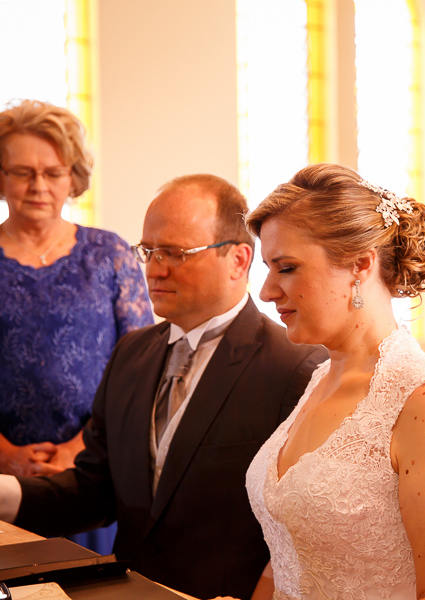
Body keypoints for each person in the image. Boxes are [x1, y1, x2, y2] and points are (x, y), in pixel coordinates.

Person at [0, 174, 326, 600]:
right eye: (149, 251)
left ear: (238, 259)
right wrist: (4, 494)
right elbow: (95, 490)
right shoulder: (131, 354)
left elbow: (303, 531)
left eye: (175, 253)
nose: (154, 269)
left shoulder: (295, 368)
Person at [243, 164, 425, 600]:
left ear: (360, 265)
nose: (266, 291)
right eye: (268, 268)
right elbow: (292, 547)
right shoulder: (319, 379)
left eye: (286, 268)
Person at [0, 99, 153, 553]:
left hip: (91, 472)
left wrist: (80, 447)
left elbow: (140, 367)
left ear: (73, 177)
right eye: (22, 172)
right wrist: (5, 454)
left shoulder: (110, 254)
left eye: (53, 172)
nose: (38, 186)